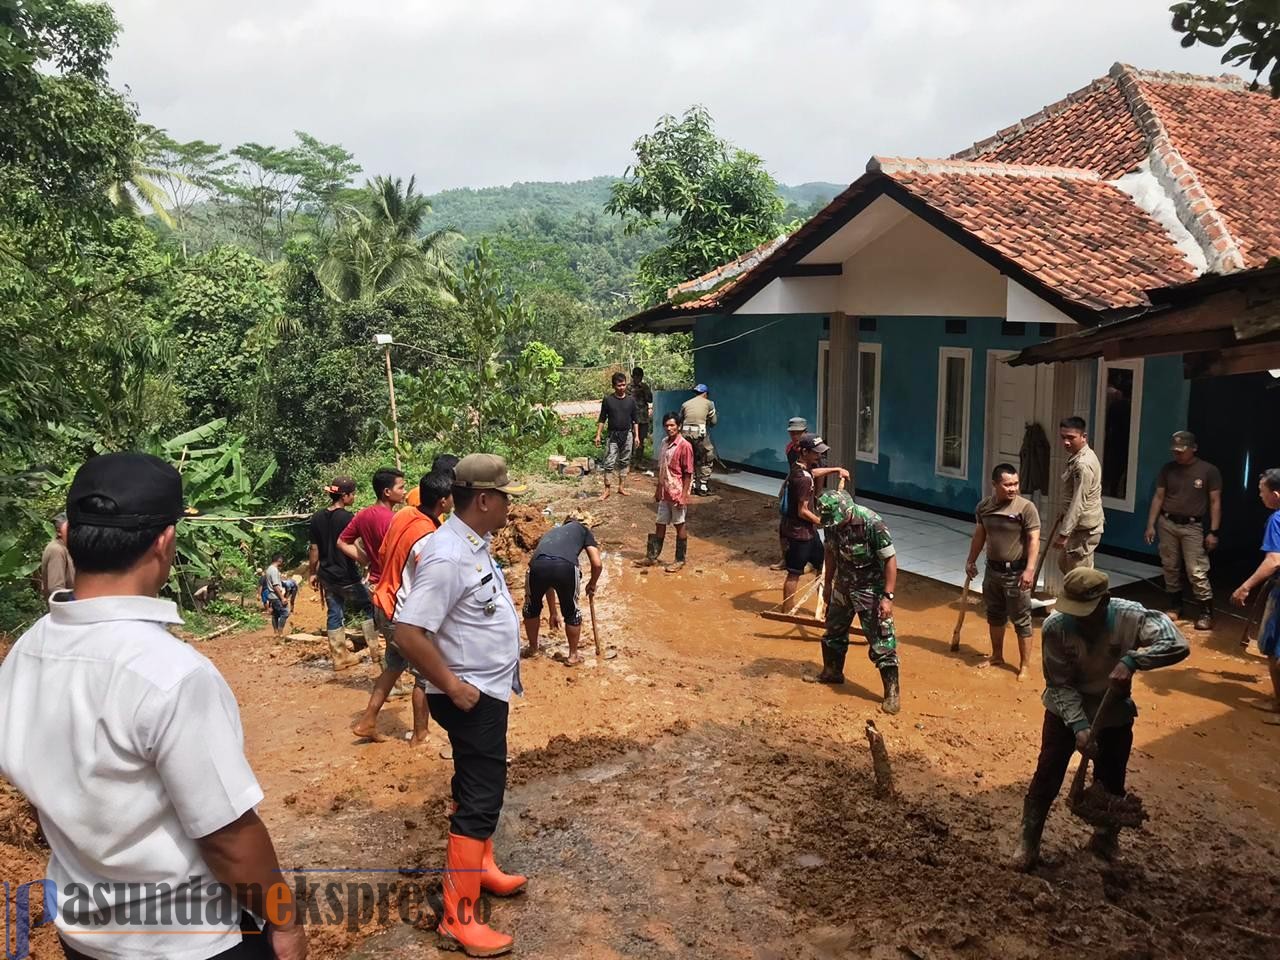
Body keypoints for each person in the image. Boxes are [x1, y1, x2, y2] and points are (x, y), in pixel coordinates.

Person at [0, 452, 306, 960]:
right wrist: (285, 921)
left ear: (70, 536)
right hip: (188, 940)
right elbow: (229, 839)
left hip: (84, 936)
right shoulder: (172, 674)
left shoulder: (25, 653)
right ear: (165, 541)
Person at [394, 454, 529, 956]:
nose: (511, 504)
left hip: (487, 688)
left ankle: (483, 867)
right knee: (481, 799)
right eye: (506, 496)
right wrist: (452, 686)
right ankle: (459, 918)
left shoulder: (471, 543)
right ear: (485, 499)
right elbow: (407, 631)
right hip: (471, 695)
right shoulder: (448, 555)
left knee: (474, 786)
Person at [1016, 568, 1189, 870]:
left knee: (1111, 783)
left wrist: (1135, 660)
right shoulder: (1056, 627)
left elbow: (1178, 644)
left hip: (1113, 713)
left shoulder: (1132, 617)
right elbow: (1059, 684)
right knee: (1046, 775)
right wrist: (1079, 727)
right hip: (1065, 712)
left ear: (1105, 600)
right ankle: (1028, 843)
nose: (1078, 618)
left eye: (1085, 612)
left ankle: (1105, 841)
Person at [353, 469, 455, 745]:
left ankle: (367, 720)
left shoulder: (404, 515)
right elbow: (431, 578)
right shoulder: (428, 536)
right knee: (425, 675)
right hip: (403, 614)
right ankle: (420, 734)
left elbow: (384, 552)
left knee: (394, 665)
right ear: (443, 502)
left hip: (383, 601)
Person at [807, 489, 901, 713]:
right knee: (833, 632)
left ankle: (892, 693)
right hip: (843, 587)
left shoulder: (872, 523)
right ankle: (832, 672)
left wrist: (887, 597)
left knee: (881, 640)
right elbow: (829, 553)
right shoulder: (831, 524)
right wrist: (827, 585)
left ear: (848, 510)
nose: (835, 525)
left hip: (870, 590)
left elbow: (890, 560)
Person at [965, 463, 1041, 680]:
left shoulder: (1026, 508)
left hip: (1016, 574)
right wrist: (971, 560)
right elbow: (979, 535)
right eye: (1007, 484)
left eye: (1015, 483)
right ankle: (997, 655)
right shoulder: (983, 508)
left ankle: (1024, 665)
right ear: (994, 485)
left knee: (1021, 619)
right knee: (995, 614)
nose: (1013, 488)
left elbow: (1033, 539)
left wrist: (1029, 570)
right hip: (992, 571)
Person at [1144, 431, 1222, 631]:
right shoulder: (1167, 469)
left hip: (1192, 526)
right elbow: (1158, 497)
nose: (1177, 455)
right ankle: (1175, 605)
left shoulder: (1208, 471)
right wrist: (1151, 524)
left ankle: (1206, 611)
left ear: (1193, 448)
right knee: (1170, 565)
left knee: (1196, 570)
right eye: (1175, 451)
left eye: (1182, 451)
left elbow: (1215, 502)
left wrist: (1214, 531)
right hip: (1167, 522)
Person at [338, 467, 407, 667]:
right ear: (387, 492)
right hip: (395, 586)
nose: (404, 491)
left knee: (388, 635)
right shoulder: (395, 520)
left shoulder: (363, 515)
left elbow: (341, 542)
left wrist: (366, 560)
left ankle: (393, 681)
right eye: (401, 487)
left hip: (376, 583)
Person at [308, 477, 377, 672]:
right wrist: (368, 562)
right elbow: (355, 544)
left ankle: (339, 657)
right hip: (346, 574)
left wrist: (312, 573)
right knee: (368, 605)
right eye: (352, 494)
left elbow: (314, 549)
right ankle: (375, 651)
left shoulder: (317, 517)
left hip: (327, 576)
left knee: (334, 611)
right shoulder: (348, 518)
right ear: (344, 496)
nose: (354, 497)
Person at [1230, 468, 1280, 725]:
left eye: (1262, 491)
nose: (1260, 496)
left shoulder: (1276, 520)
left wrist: (1246, 586)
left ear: (1276, 494)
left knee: (1275, 649)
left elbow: (1273, 560)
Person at [522, 517, 603, 665]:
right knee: (571, 612)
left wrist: (553, 611)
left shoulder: (552, 532)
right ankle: (573, 656)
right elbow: (597, 564)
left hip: (537, 565)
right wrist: (592, 583)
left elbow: (549, 580)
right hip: (565, 567)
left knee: (531, 607)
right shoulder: (584, 530)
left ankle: (533, 649)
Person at [639, 412, 695, 571]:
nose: (669, 428)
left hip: (677, 492)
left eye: (672, 425)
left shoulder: (684, 446)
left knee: (679, 525)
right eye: (667, 425)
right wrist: (658, 489)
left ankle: (679, 559)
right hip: (665, 491)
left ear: (679, 426)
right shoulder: (664, 442)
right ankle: (652, 556)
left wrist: (684, 495)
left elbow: (688, 472)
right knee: (660, 523)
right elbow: (661, 468)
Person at [780, 435, 829, 610]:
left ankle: (823, 604)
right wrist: (821, 521)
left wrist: (836, 470)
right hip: (799, 534)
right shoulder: (803, 479)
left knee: (822, 565)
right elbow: (803, 510)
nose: (819, 456)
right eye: (816, 453)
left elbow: (813, 473)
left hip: (808, 532)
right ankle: (786, 610)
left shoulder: (800, 468)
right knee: (794, 573)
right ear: (805, 452)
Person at [1055, 416, 1104, 574]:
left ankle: (1092, 598)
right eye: (1063, 437)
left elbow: (1079, 501)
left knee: (1079, 576)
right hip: (1077, 527)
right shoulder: (1076, 457)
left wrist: (1064, 533)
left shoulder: (1083, 464)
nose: (1066, 442)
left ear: (1083, 437)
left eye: (1071, 438)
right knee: (1064, 564)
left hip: (1085, 529)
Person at [594, 372, 639, 501]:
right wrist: (598, 435)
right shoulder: (608, 400)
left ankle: (621, 487)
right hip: (612, 435)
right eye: (619, 385)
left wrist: (637, 437)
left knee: (625, 461)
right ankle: (607, 490)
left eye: (624, 385)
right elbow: (602, 419)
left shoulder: (631, 400)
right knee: (609, 462)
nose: (621, 387)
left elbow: (635, 420)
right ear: (614, 386)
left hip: (627, 434)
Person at [680, 384, 718, 496]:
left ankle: (690, 484)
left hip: (685, 435)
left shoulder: (685, 404)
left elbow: (680, 419)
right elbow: (714, 422)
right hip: (700, 435)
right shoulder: (709, 403)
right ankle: (702, 486)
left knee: (689, 458)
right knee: (707, 457)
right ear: (705, 394)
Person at [40, 512, 74, 603]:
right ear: (59, 532)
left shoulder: (68, 547)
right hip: (65, 611)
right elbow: (56, 590)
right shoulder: (56, 550)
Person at [628, 366, 654, 464]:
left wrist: (644, 391)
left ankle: (638, 461)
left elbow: (650, 399)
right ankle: (629, 460)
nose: (638, 378)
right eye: (636, 376)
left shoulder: (645, 387)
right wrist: (635, 393)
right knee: (630, 439)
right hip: (631, 418)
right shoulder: (628, 388)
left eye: (640, 376)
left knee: (641, 440)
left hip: (643, 418)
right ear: (632, 376)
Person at [264, 552, 293, 636]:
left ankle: (275, 632)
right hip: (275, 595)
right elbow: (275, 585)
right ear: (279, 560)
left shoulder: (269, 569)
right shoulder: (274, 570)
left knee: (275, 614)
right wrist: (282, 598)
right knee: (285, 612)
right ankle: (280, 632)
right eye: (282, 560)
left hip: (271, 595)